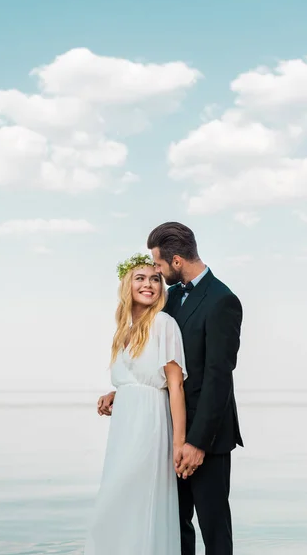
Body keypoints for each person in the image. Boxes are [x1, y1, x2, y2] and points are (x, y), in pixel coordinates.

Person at [98, 222, 243, 555]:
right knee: (175, 528)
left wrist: (196, 443)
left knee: (214, 528)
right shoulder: (170, 298)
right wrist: (125, 393)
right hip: (164, 434)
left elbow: (219, 377)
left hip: (207, 438)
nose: (157, 274)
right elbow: (161, 364)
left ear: (176, 260)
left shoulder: (223, 301)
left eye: (159, 265)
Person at [84, 253, 188, 555]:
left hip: (150, 426)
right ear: (127, 286)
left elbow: (175, 385)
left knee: (135, 499)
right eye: (140, 278)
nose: (149, 284)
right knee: (119, 503)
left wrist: (179, 443)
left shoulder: (164, 323)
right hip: (124, 427)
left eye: (155, 279)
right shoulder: (124, 331)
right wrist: (115, 393)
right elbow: (134, 377)